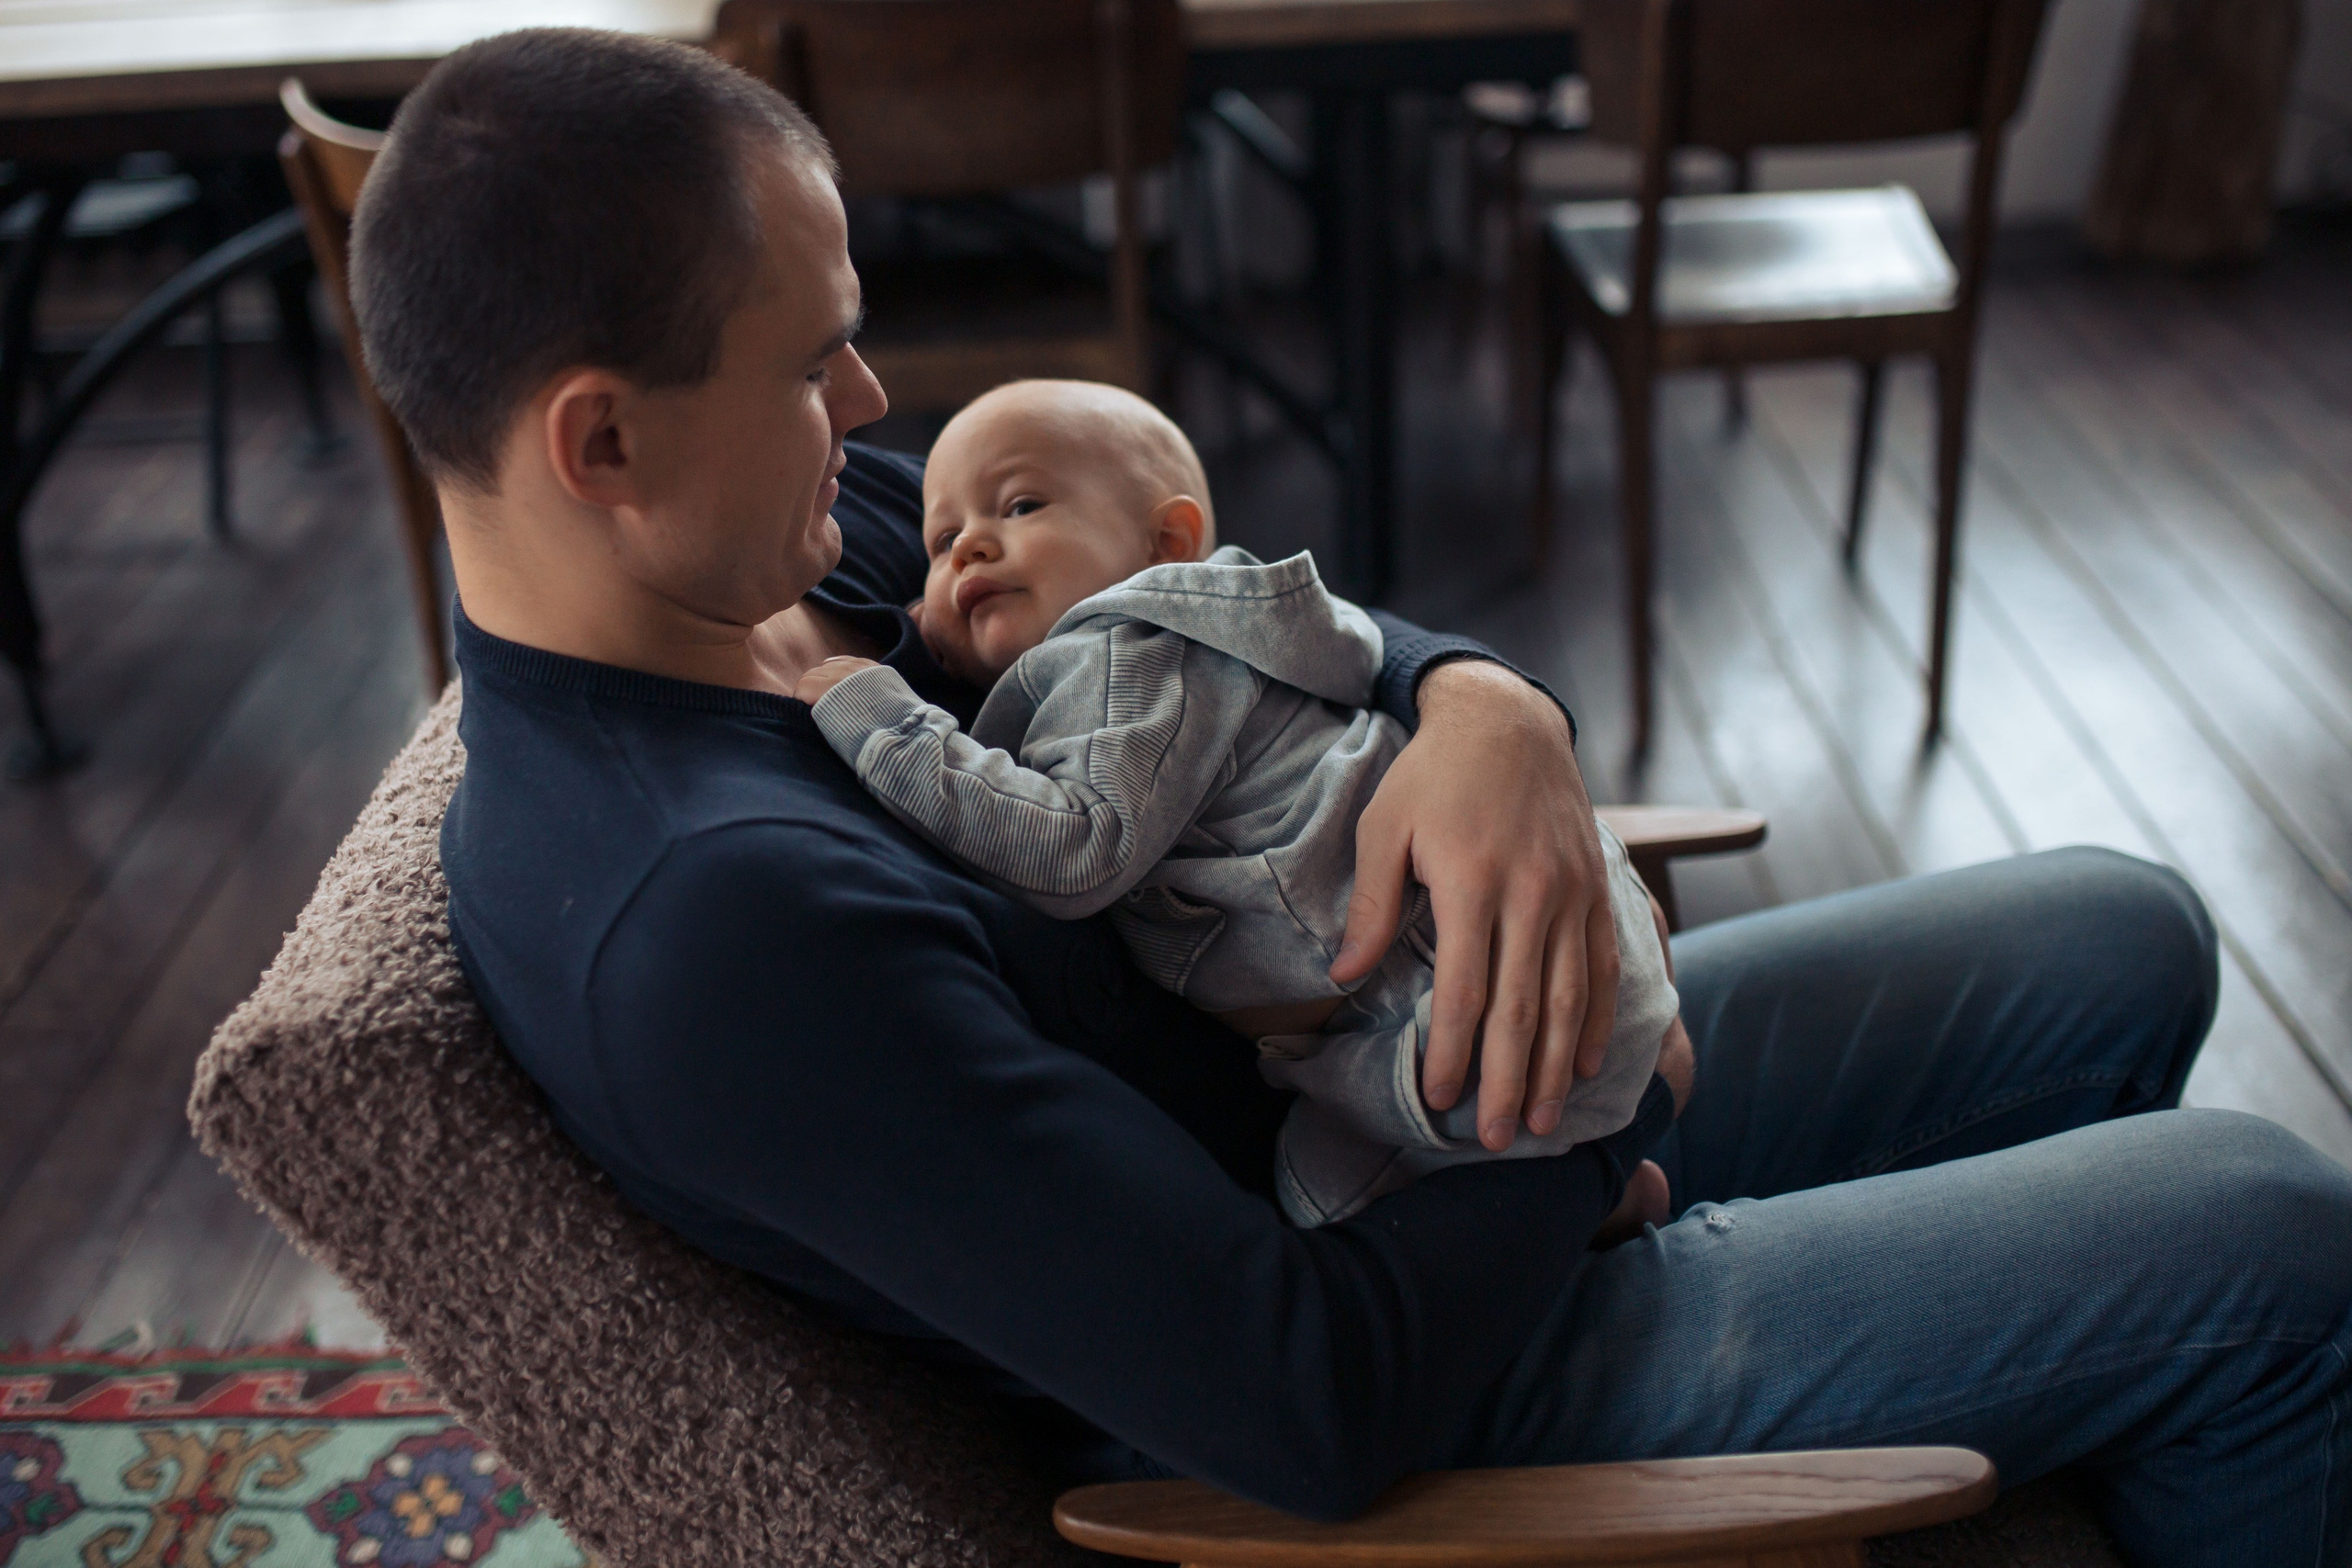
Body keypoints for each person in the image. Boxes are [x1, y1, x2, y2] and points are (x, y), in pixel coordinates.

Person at [354, 28, 2352, 1566]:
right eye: (818, 360)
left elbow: (1185, 610)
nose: (875, 415)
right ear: (598, 437)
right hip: (1407, 1321)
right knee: (2269, 1235)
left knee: (2119, 929)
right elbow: (1288, 1394)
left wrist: (1489, 713)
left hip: (1409, 1074)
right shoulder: (705, 924)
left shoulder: (771, 546)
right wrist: (1581, 1137)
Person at [792, 378, 1679, 1227]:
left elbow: (1076, 848)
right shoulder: (1206, 636)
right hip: (1483, 972)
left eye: (1020, 508)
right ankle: (1600, 1194)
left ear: (1169, 545)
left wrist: (888, 719)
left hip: (1459, 995)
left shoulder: (1127, 648)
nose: (971, 548)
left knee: (1334, 1186)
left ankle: (1585, 1183)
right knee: (1318, 1185)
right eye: (942, 545)